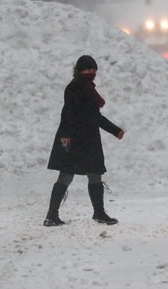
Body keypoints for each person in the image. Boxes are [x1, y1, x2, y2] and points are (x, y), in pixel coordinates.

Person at [44, 54, 125, 227]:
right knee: (67, 175)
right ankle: (52, 216)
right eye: (89, 69)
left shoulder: (86, 87)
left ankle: (97, 213)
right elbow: (71, 115)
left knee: (93, 174)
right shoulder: (76, 88)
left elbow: (93, 116)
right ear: (80, 70)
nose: (92, 72)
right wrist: (114, 130)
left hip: (86, 139)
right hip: (76, 139)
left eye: (94, 69)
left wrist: (115, 130)